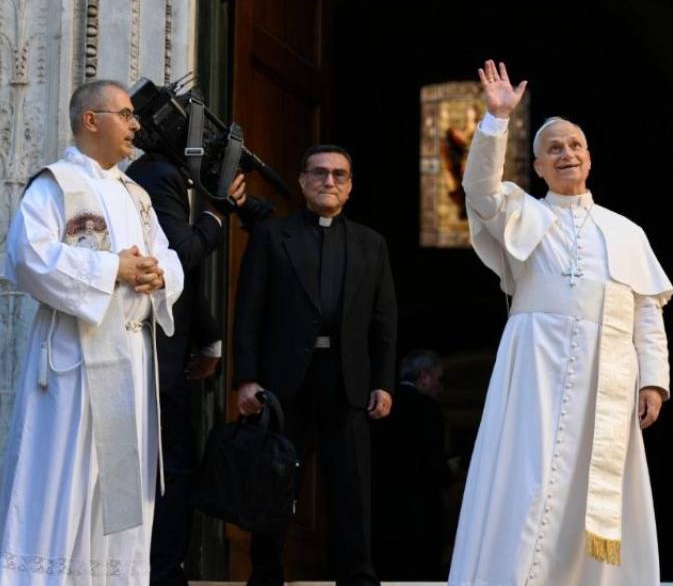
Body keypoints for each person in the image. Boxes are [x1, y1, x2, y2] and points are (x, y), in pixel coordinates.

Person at [448, 60, 673, 586]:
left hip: (605, 376)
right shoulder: (519, 212)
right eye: (554, 149)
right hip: (535, 370)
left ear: (589, 158)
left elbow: (646, 311)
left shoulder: (627, 232)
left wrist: (653, 381)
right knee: (528, 478)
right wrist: (497, 120)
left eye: (575, 146)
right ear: (538, 166)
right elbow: (478, 188)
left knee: (592, 488)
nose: (567, 153)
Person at [0, 79, 184, 583]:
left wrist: (158, 275)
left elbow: (168, 256)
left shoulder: (137, 195)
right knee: (65, 479)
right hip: (75, 363)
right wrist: (112, 269)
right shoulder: (55, 186)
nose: (136, 125)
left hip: (130, 361)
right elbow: (28, 256)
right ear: (90, 120)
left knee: (117, 497)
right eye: (125, 115)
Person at [234, 144, 397, 586]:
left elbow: (384, 320)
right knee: (274, 482)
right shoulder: (272, 237)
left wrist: (383, 382)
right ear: (303, 181)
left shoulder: (371, 243)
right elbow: (249, 312)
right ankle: (266, 576)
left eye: (339, 175)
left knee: (352, 486)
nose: (329, 181)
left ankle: (357, 578)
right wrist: (246, 379)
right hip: (285, 384)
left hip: (347, 381)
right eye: (320, 173)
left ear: (350, 186)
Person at [125, 150, 270, 586]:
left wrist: (209, 337)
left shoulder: (165, 176)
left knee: (176, 469)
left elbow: (180, 282)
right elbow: (182, 255)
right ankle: (161, 575)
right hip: (154, 357)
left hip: (172, 356)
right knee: (167, 472)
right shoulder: (157, 175)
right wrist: (216, 214)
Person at [372, 349, 454, 580]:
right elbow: (433, 466)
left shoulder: (381, 405)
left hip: (381, 513)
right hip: (419, 518)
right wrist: (450, 471)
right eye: (439, 380)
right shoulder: (428, 410)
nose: (441, 388)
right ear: (424, 377)